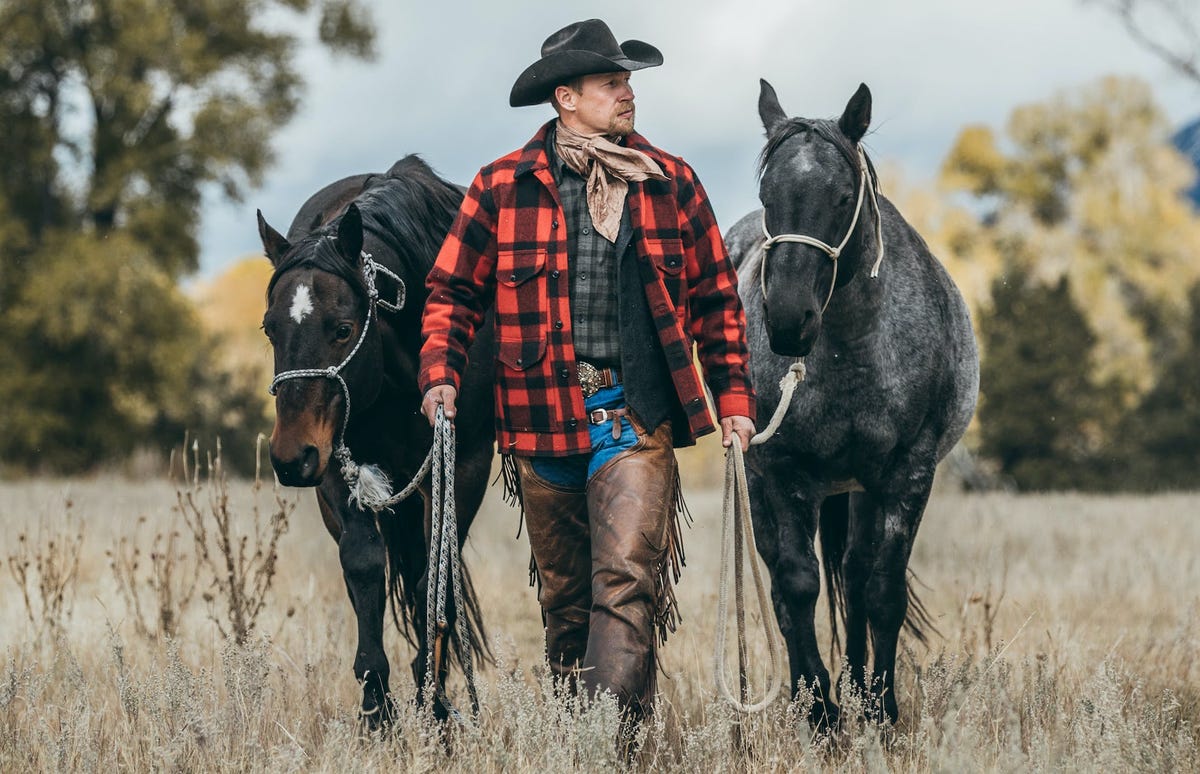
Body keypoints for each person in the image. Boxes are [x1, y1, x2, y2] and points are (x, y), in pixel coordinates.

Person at [418, 18, 756, 729]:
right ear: (565, 98)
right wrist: (440, 372)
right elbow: (452, 291)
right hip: (540, 425)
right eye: (612, 82)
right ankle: (584, 734)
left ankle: (610, 745)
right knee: (567, 603)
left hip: (633, 416)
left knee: (627, 585)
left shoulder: (671, 183)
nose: (628, 93)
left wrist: (733, 398)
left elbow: (717, 300)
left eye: (628, 80)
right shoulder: (501, 187)